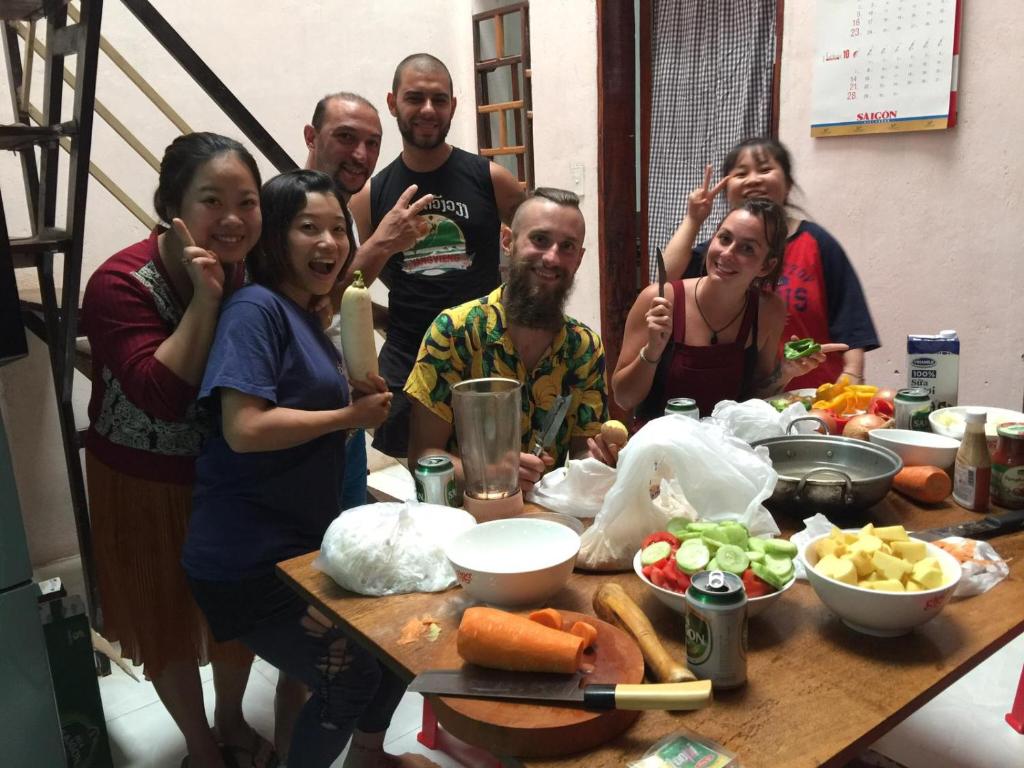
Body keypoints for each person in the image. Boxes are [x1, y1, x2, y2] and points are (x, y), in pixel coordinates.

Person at [182, 170, 412, 768]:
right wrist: (345, 415)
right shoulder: (255, 310)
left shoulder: (306, 315)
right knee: (348, 676)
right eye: (309, 228)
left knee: (393, 643)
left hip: (296, 549)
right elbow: (244, 427)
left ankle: (369, 758)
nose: (330, 244)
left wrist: (355, 404)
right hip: (247, 561)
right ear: (275, 238)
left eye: (339, 229)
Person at [80, 133, 275, 768]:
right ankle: (201, 748)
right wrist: (208, 297)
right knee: (164, 616)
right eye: (211, 200)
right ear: (171, 206)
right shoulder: (117, 284)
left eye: (247, 202)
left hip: (226, 472)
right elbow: (160, 395)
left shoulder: (253, 266)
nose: (232, 219)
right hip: (143, 482)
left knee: (233, 608)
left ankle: (231, 719)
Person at [350, 53, 526, 460]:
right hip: (407, 359)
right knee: (419, 479)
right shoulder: (369, 197)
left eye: (439, 99)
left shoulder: (491, 178)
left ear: (452, 106)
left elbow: (536, 244)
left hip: (484, 354)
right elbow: (348, 283)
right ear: (393, 103)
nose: (428, 110)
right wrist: (380, 314)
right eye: (415, 98)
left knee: (491, 473)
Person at [405, 188, 607, 494]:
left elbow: (581, 452)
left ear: (578, 260)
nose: (552, 257)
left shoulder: (585, 349)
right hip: (464, 523)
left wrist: (596, 461)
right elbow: (422, 457)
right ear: (508, 241)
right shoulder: (454, 332)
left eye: (567, 247)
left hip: (546, 522)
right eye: (539, 240)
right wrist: (487, 472)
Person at [608, 193, 846, 446]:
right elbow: (623, 398)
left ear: (766, 266)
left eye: (747, 248)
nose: (727, 253)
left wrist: (784, 373)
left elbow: (755, 400)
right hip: (657, 450)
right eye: (724, 238)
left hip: (729, 451)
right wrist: (652, 351)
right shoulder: (660, 298)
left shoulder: (768, 310)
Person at [303, 91, 433, 509]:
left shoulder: (342, 213)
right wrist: (383, 245)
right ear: (311, 136)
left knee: (350, 525)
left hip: (348, 406)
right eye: (345, 137)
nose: (361, 154)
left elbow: (337, 298)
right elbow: (310, 307)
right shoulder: (288, 213)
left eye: (372, 142)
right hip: (307, 416)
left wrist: (385, 317)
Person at [664, 137, 879, 389]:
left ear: (787, 184)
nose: (753, 179)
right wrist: (694, 218)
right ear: (726, 189)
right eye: (741, 173)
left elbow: (850, 318)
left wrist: (853, 375)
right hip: (749, 399)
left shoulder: (817, 242)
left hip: (816, 393)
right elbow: (667, 278)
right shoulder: (722, 253)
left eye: (765, 170)